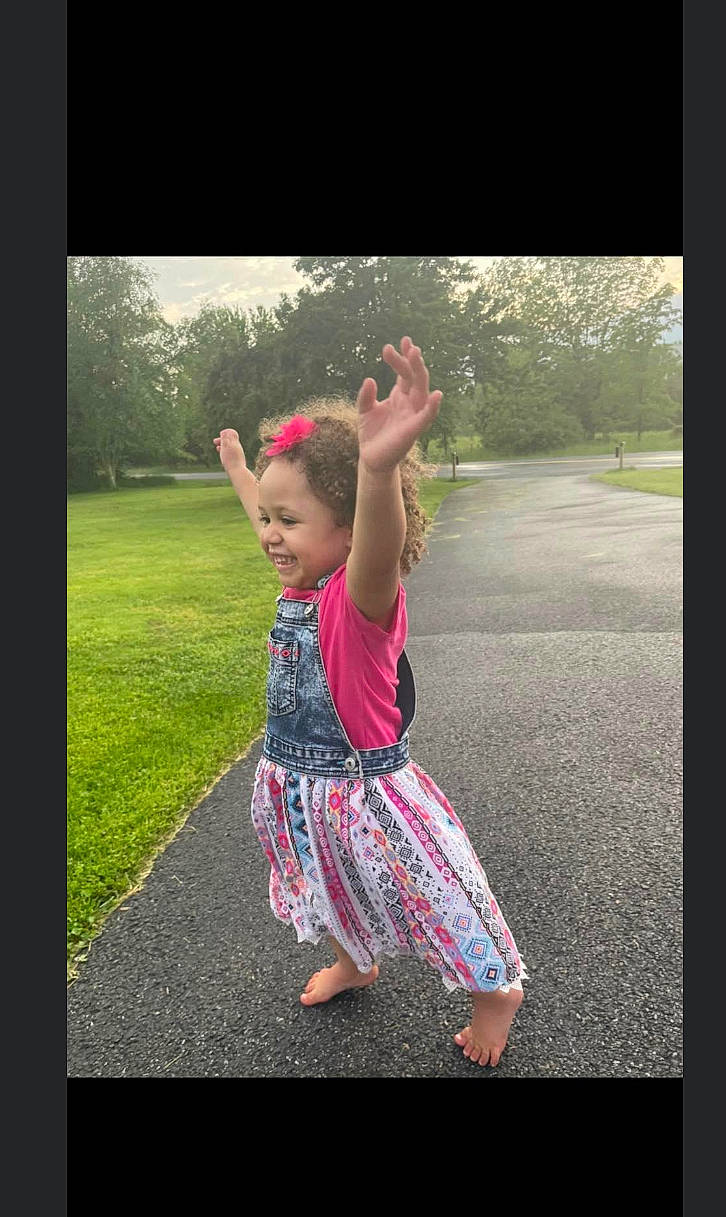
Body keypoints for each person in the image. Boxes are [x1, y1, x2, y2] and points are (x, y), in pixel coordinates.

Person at [214, 337, 528, 1068]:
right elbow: (280, 520)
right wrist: (242, 474)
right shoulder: (299, 585)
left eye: (285, 522)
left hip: (369, 792)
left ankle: (494, 992)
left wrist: (377, 471)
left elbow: (377, 544)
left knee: (440, 898)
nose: (268, 535)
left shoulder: (356, 601)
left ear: (348, 533)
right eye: (266, 517)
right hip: (295, 785)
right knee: (323, 887)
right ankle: (356, 961)